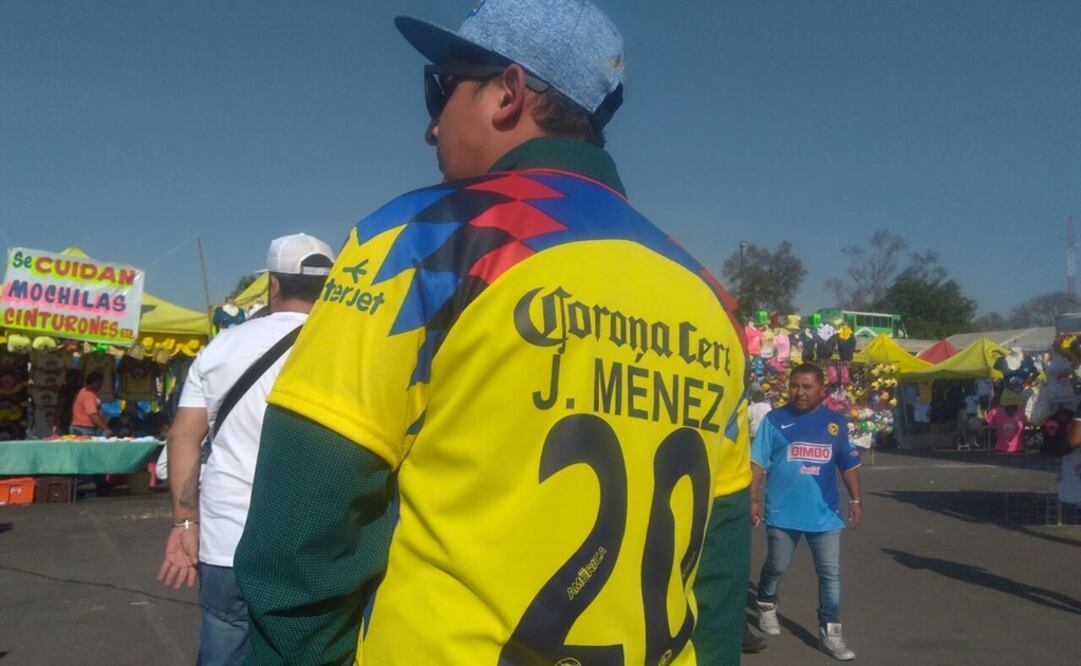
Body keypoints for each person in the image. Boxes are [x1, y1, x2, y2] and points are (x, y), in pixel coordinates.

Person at [233, 2, 750, 664]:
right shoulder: (709, 295)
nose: (429, 127)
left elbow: (305, 525)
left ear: (507, 92)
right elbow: (718, 563)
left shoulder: (420, 239)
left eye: (438, 87)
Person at [156, 233, 335, 666]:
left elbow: (184, 437)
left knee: (224, 646)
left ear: (274, 285)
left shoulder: (223, 347)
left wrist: (184, 524)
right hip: (315, 541)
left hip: (226, 540)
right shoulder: (348, 347)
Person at [750, 363, 863, 661]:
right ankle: (766, 603)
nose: (799, 392)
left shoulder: (835, 424)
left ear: (821, 390)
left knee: (830, 575)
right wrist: (753, 499)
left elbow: (848, 465)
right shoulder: (774, 421)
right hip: (782, 512)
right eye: (795, 386)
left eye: (807, 386)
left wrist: (855, 501)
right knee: (777, 565)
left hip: (824, 515)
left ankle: (831, 631)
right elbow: (757, 463)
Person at [70, 371, 112, 437]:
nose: (101, 385)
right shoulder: (88, 395)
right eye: (101, 382)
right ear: (97, 382)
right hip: (84, 429)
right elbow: (93, 415)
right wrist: (106, 428)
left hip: (81, 428)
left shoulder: (83, 391)